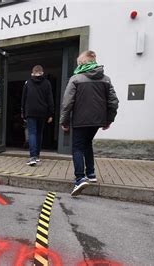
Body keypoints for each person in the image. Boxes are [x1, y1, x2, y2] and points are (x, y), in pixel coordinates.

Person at [59, 50, 119, 196]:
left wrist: (64, 121)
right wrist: (109, 119)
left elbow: (67, 103)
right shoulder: (105, 79)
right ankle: (91, 174)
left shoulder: (76, 79)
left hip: (80, 120)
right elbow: (113, 101)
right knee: (87, 144)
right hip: (97, 120)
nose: (78, 64)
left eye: (79, 63)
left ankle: (80, 178)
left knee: (78, 147)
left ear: (83, 63)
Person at [21, 65, 54, 166]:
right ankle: (37, 156)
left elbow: (23, 98)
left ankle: (32, 157)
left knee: (32, 133)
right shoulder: (47, 83)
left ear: (32, 73)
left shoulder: (28, 83)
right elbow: (50, 99)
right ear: (42, 73)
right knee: (39, 134)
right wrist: (51, 114)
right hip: (42, 112)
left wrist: (23, 112)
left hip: (30, 112)